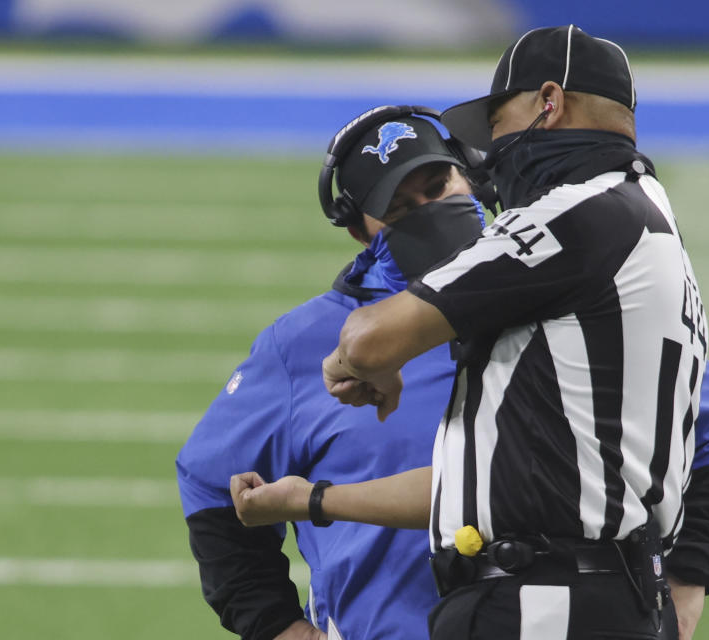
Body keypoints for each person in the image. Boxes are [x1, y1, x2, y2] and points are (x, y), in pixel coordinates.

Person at [231, 25, 709, 640]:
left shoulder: (581, 215)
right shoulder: (641, 221)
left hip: (544, 602)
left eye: (499, 124)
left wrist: (378, 356)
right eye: (399, 207)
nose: (495, 154)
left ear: (548, 103)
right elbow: (483, 481)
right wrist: (311, 501)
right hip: (595, 594)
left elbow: (364, 342)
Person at [177, 106, 490, 640]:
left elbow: (682, 439)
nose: (429, 212)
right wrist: (281, 627)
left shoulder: (557, 287)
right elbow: (213, 488)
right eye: (399, 208)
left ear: (470, 174)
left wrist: (683, 586)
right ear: (358, 229)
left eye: (438, 186)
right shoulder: (302, 344)